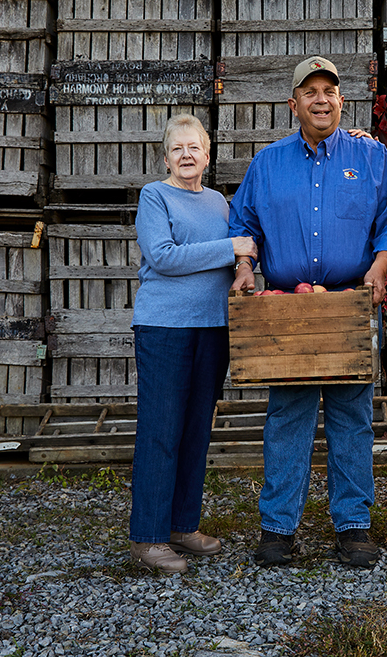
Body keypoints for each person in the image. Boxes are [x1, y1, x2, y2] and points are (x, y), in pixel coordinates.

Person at [229, 56, 387, 569]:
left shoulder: (370, 158)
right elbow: (242, 223)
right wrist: (245, 266)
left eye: (329, 90)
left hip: (350, 303)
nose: (321, 99)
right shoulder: (267, 163)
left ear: (341, 100)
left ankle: (354, 527)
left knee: (352, 419)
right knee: (288, 418)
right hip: (287, 310)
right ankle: (278, 529)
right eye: (309, 91)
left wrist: (379, 269)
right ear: (294, 104)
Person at [129, 114, 257, 574]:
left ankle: (182, 526)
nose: (187, 155)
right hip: (165, 328)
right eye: (177, 148)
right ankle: (148, 537)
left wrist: (243, 265)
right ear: (166, 157)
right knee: (161, 431)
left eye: (195, 147)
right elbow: (162, 257)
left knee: (196, 430)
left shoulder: (220, 204)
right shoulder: (155, 196)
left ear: (207, 155)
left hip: (211, 327)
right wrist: (231, 249)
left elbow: (238, 254)